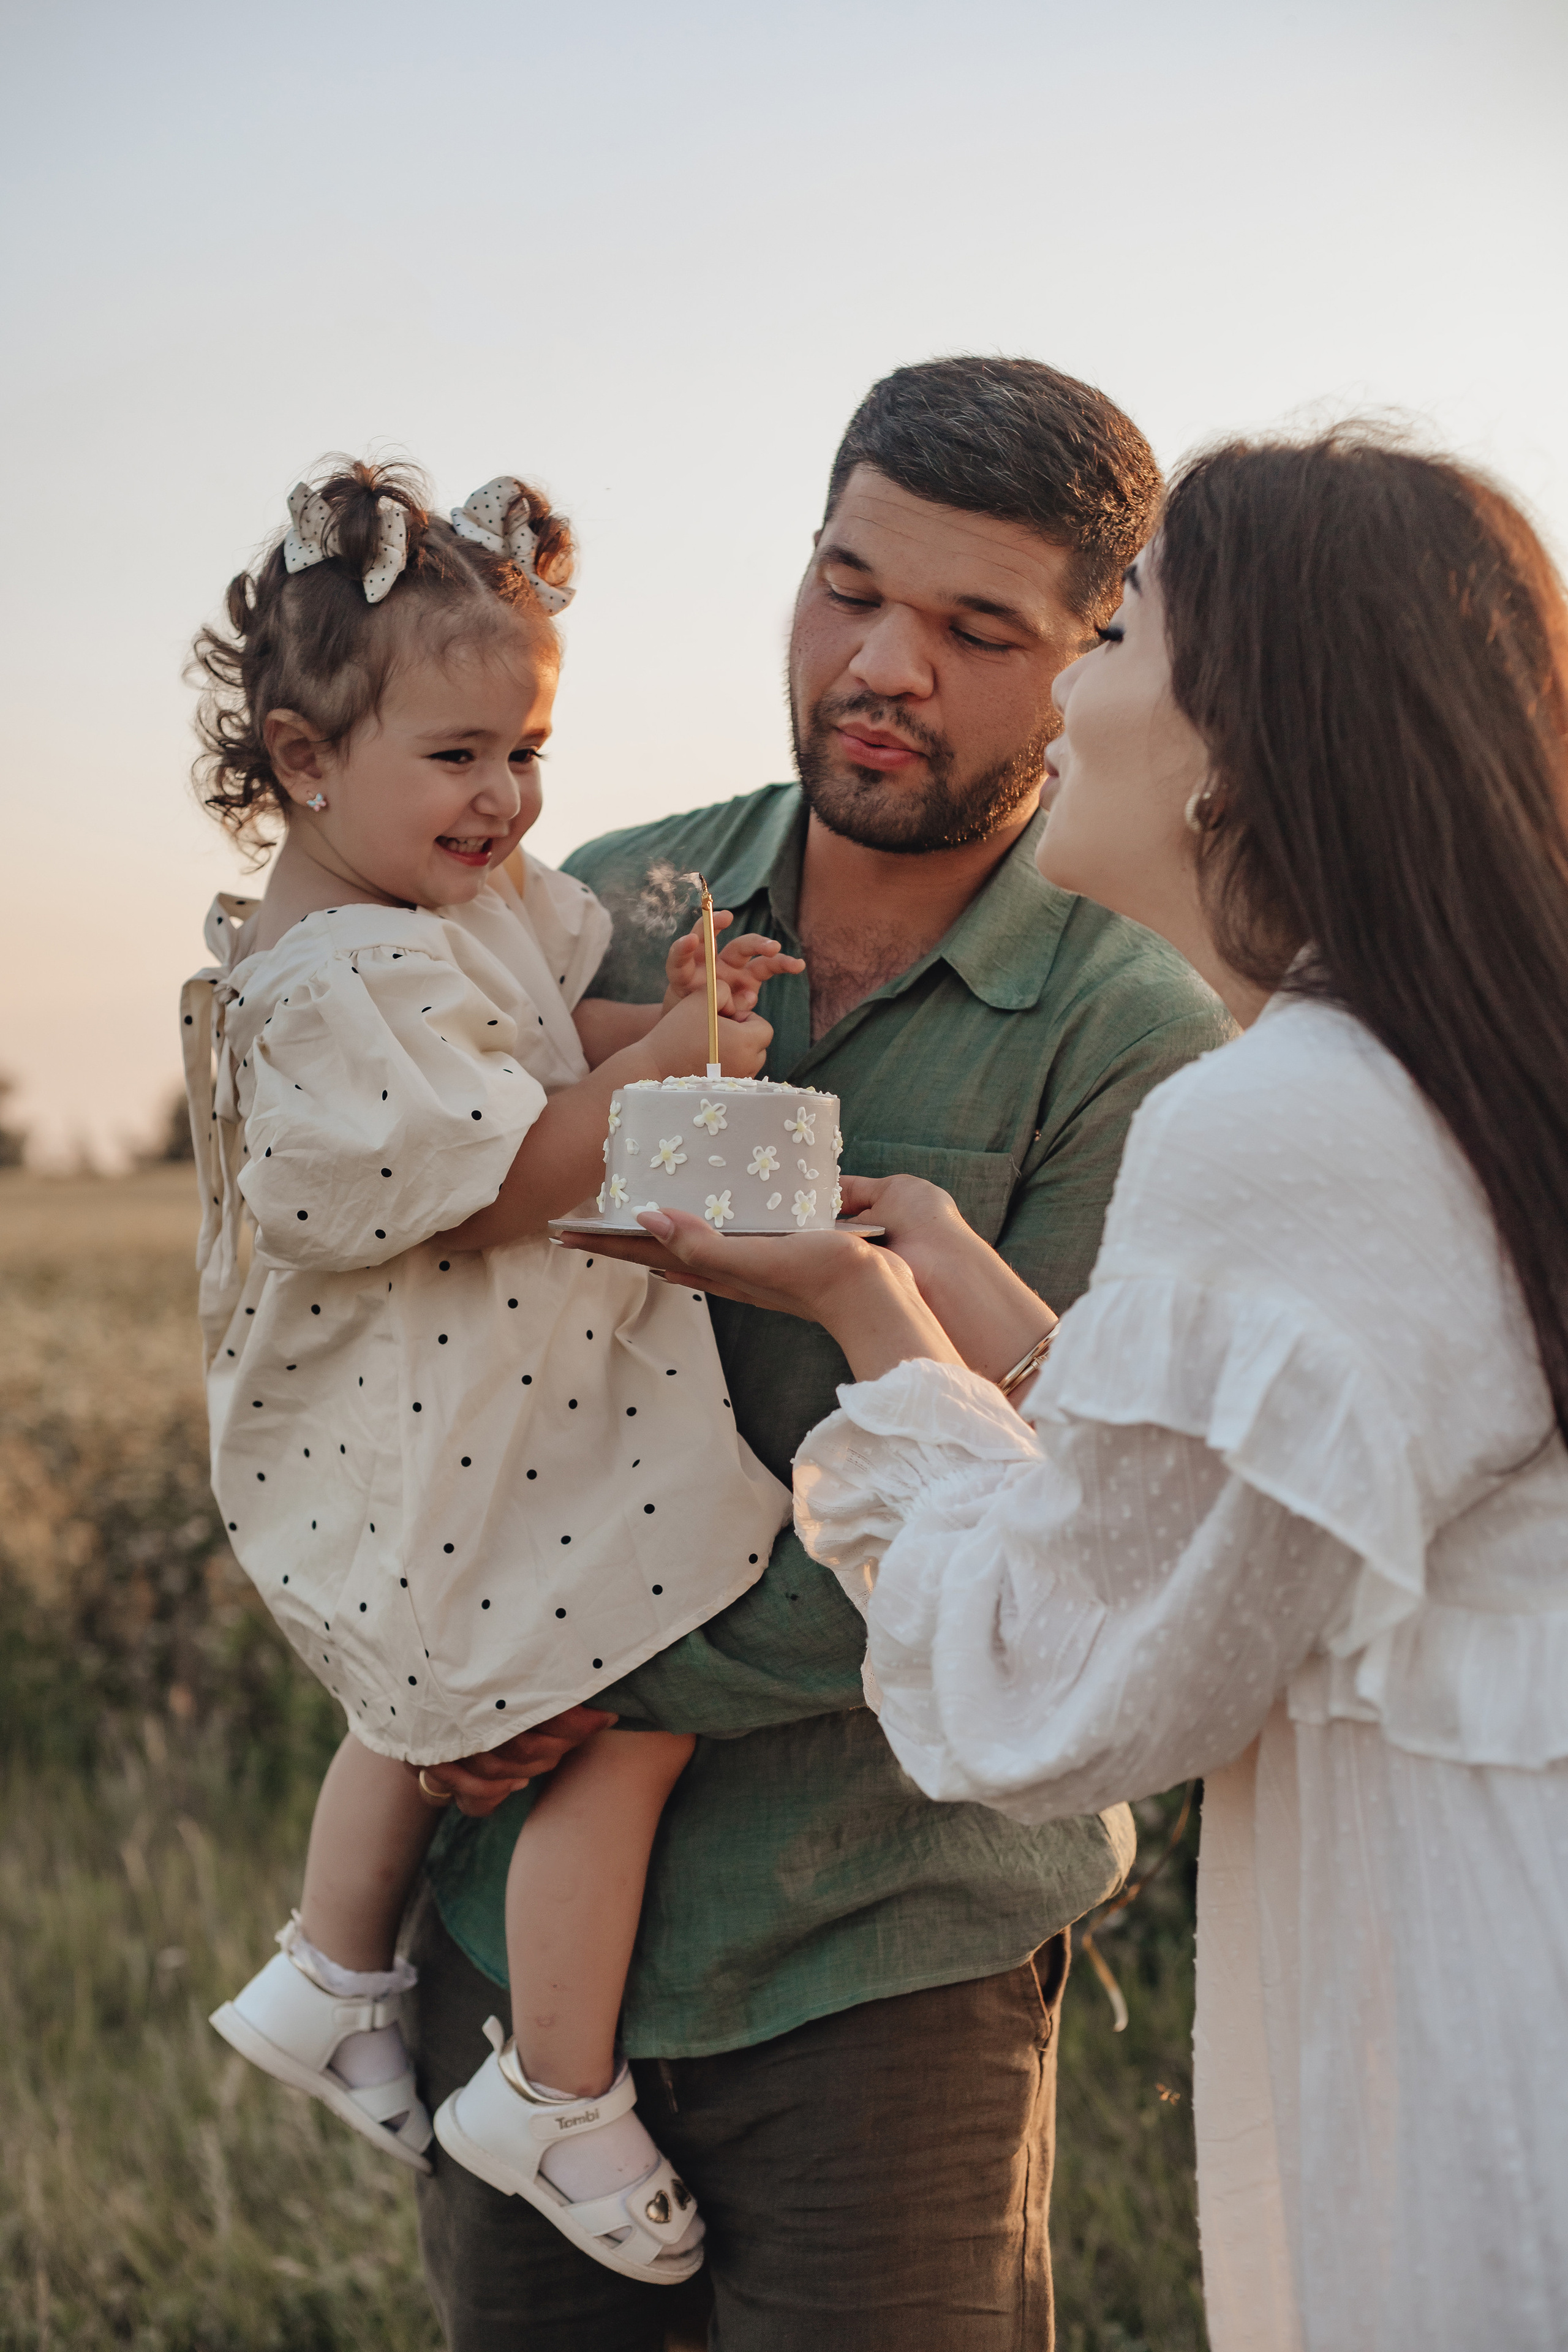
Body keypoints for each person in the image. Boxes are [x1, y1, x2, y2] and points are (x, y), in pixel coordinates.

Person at [589, 431, 1568, 2351]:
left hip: (1458, 1998)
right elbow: (1254, 1513)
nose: (1069, 703)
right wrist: (1002, 1325)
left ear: (1231, 729)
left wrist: (871, 1316)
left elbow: (1055, 1676)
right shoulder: (1442, 1076)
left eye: (1105, 636)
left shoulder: (1280, 1115)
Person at [407, 359, 1234, 2350]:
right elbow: (391, 1324)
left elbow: (1058, 1510)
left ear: (1092, 661)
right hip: (507, 1940)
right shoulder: (585, 911)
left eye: (975, 629)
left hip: (890, 1961)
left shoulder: (1136, 1034)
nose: (884, 664)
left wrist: (540, 1676)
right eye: (848, 586)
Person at [181, 459, 802, 2283]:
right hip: (436, 1406)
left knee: (453, 1678)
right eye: (461, 755)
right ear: (305, 760)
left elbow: (543, 1047)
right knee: (623, 1691)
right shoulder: (325, 985)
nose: (510, 799)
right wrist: (682, 1061)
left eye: (527, 751)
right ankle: (550, 2082)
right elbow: (535, 1158)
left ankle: (326, 1974)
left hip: (474, 1410)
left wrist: (683, 1024)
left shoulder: (457, 915)